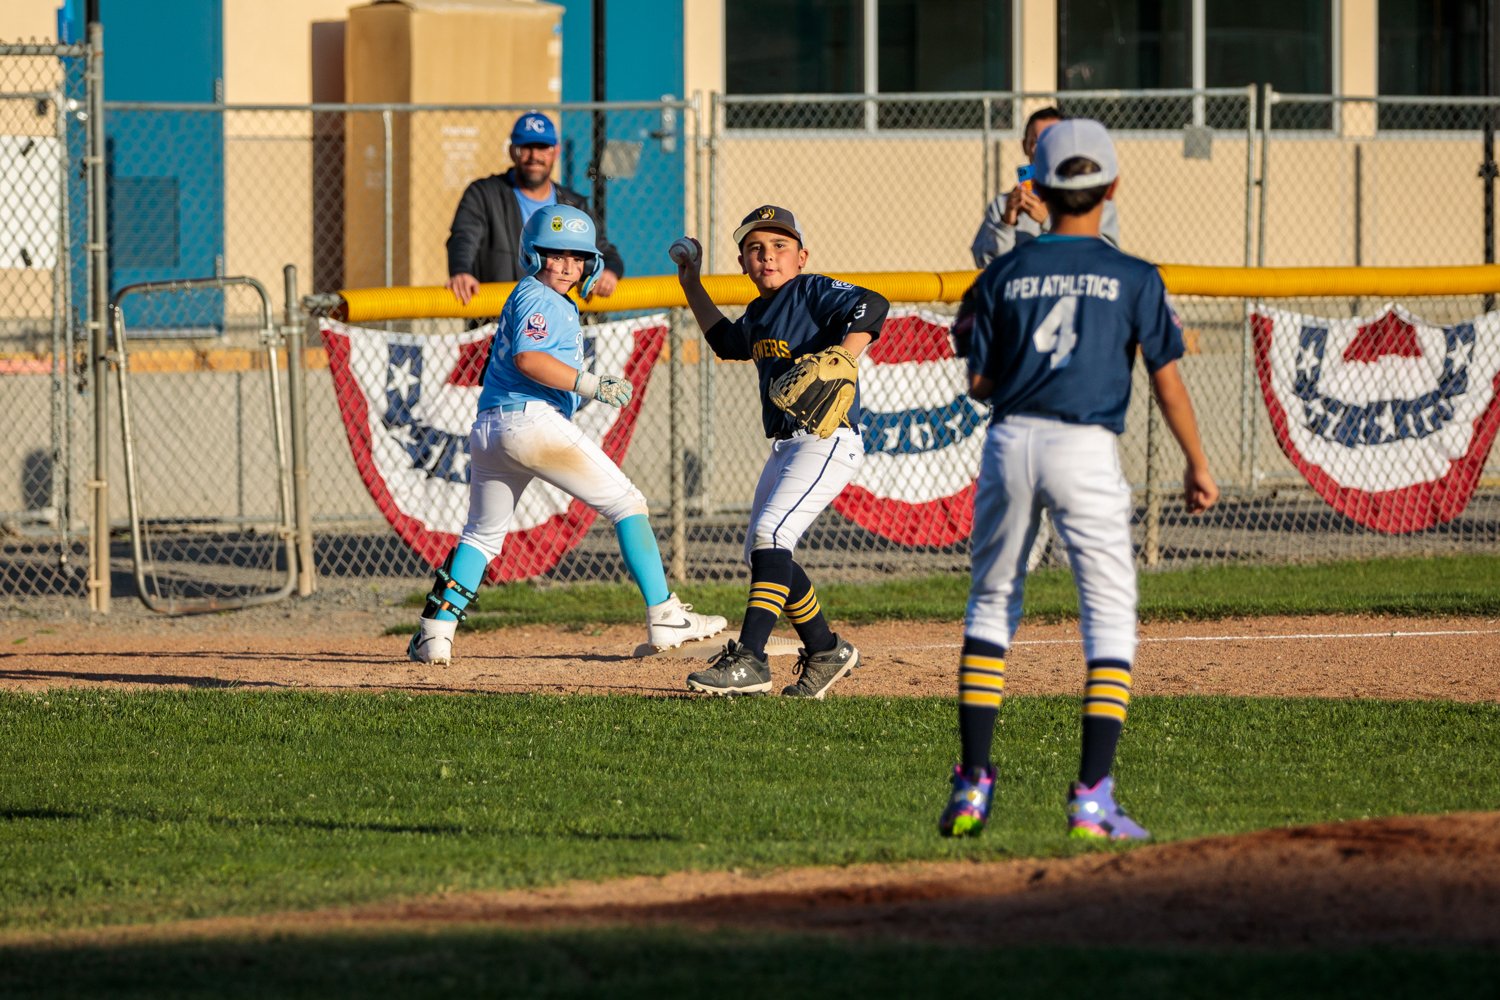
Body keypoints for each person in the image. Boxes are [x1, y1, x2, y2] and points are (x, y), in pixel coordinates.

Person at [938, 120, 1218, 839]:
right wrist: (1196, 460)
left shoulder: (1001, 272)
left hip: (1010, 438)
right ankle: (1093, 795)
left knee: (993, 602)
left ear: (1039, 186)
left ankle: (972, 785)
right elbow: (1168, 383)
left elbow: (978, 375)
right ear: (1112, 188)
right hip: (1087, 445)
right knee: (1108, 613)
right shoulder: (1133, 274)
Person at [407, 204, 725, 665]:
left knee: (481, 536)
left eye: (577, 258)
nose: (566, 266)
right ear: (533, 255)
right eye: (554, 255)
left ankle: (435, 632)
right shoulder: (540, 296)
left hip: (493, 427)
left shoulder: (543, 296)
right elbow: (529, 361)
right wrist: (591, 383)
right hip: (528, 422)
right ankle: (665, 613)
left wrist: (581, 385)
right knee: (627, 502)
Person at [672, 205, 889, 698]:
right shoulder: (758, 313)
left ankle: (750, 658)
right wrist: (691, 284)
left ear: (801, 256)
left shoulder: (810, 290)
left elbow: (872, 304)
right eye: (755, 248)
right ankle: (826, 648)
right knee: (763, 548)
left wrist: (844, 355)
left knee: (772, 534)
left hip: (828, 439)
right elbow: (728, 343)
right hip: (789, 444)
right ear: (744, 263)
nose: (767, 255)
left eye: (779, 246)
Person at [444, 111, 625, 309]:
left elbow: (604, 251)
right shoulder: (484, 194)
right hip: (498, 318)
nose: (534, 156)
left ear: (555, 152)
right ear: (512, 151)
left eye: (542, 147)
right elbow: (463, 238)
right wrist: (461, 271)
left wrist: (609, 271)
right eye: (526, 147)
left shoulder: (572, 205)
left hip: (556, 318)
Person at [970, 106, 1121, 267]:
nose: (1044, 149)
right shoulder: (1002, 205)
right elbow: (987, 268)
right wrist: (1006, 224)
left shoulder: (1093, 201)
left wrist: (1050, 221)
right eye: (1036, 141)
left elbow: (1107, 261)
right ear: (1025, 146)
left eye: (1052, 140)